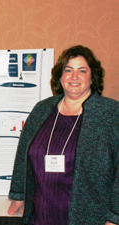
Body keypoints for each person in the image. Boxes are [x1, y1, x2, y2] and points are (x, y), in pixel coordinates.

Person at [7, 45, 118, 225]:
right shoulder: (42, 109)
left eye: (82, 70)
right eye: (68, 70)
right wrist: (18, 194)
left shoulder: (110, 113)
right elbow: (23, 154)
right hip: (41, 215)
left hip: (88, 217)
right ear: (60, 76)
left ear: (92, 78)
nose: (74, 77)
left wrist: (115, 216)